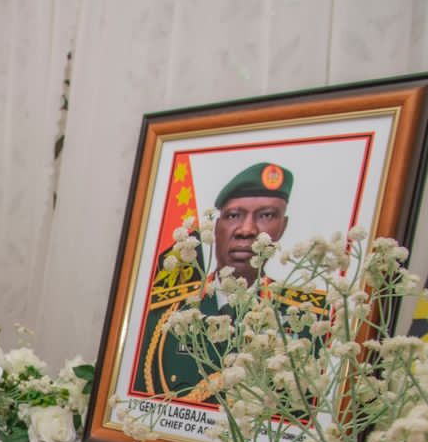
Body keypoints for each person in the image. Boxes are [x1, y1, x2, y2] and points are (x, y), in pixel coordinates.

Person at [133, 161, 319, 401]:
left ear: (282, 227)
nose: (246, 230)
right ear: (216, 227)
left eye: (266, 215)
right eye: (233, 215)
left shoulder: (309, 319)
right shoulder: (160, 312)